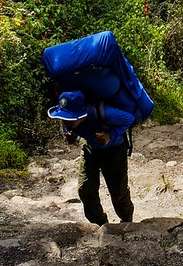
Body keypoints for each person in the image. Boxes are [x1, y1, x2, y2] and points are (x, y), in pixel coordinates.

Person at [48, 90, 135, 226]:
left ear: (81, 113)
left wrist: (110, 135)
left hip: (115, 151)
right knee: (85, 189)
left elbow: (129, 119)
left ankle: (127, 221)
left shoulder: (106, 113)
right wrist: (70, 134)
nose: (65, 121)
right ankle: (100, 224)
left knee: (118, 192)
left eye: (69, 118)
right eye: (63, 118)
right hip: (89, 149)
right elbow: (69, 126)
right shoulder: (69, 121)